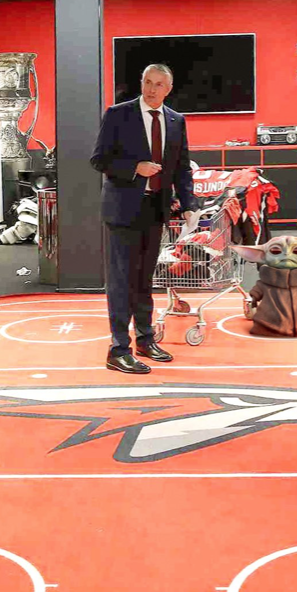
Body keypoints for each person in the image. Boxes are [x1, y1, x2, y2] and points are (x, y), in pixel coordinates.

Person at [91, 64, 199, 375]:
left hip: (156, 210)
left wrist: (189, 204)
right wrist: (134, 167)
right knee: (122, 281)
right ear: (141, 82)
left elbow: (181, 168)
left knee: (143, 280)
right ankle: (118, 349)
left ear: (169, 88)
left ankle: (145, 339)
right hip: (122, 210)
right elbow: (99, 159)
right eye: (147, 82)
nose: (151, 89)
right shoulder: (118, 114)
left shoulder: (176, 121)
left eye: (158, 84)